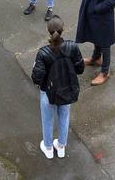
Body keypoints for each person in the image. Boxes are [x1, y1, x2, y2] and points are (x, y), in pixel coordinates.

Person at [31, 15, 84, 160]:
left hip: (48, 93)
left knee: (47, 120)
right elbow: (80, 69)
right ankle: (61, 147)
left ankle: (48, 148)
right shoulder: (72, 47)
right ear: (63, 29)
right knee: (64, 117)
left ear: (48, 31)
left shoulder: (43, 53)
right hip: (66, 89)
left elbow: (36, 78)